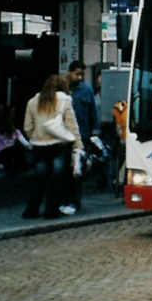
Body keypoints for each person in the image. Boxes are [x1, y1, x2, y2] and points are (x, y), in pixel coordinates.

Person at [23, 74, 83, 219]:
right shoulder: (65, 100)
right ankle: (51, 210)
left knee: (39, 178)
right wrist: (78, 145)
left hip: (39, 146)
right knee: (56, 179)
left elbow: (27, 127)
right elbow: (71, 125)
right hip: (59, 146)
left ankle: (32, 210)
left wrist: (34, 137)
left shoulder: (32, 102)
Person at [65, 61, 99, 213]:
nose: (79, 77)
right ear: (69, 72)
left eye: (82, 75)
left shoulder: (87, 90)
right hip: (63, 136)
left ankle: (75, 201)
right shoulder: (63, 90)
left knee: (77, 170)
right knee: (64, 170)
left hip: (82, 136)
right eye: (77, 74)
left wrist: (94, 133)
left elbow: (93, 113)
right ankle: (64, 199)